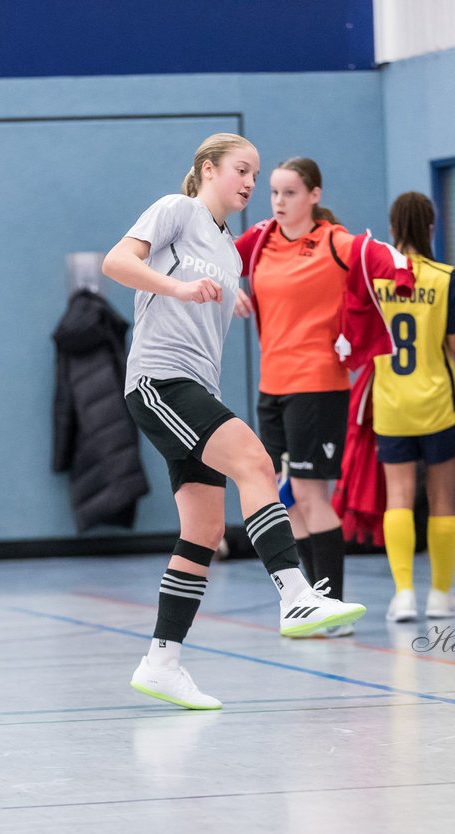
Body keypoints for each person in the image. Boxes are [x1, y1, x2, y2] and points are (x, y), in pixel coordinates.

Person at [101, 133, 368, 710]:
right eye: (241, 171)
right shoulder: (177, 210)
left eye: (256, 173)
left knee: (203, 532)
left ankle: (161, 662)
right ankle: (296, 593)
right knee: (256, 461)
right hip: (157, 380)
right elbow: (116, 262)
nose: (251, 183)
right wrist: (176, 287)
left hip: (195, 385)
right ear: (207, 170)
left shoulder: (230, 249)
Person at [233, 157, 354, 634]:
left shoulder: (335, 242)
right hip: (273, 384)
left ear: (314, 196)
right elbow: (215, 262)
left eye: (290, 193)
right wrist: (228, 289)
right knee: (285, 499)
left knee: (310, 493)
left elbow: (376, 273)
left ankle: (335, 608)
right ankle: (311, 605)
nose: (280, 202)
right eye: (274, 193)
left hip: (318, 381)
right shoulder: (261, 241)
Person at [376, 193, 455, 622]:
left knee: (397, 497)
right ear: (431, 226)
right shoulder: (444, 276)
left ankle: (402, 595)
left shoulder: (375, 275)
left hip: (391, 403)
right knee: (442, 498)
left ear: (394, 227)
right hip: (436, 403)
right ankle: (440, 595)